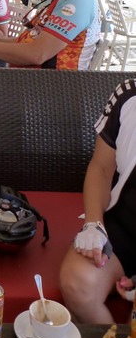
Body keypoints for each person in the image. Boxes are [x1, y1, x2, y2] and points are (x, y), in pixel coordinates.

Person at [59, 79, 136, 322]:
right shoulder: (128, 95)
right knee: (77, 284)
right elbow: (102, 168)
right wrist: (94, 224)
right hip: (125, 223)